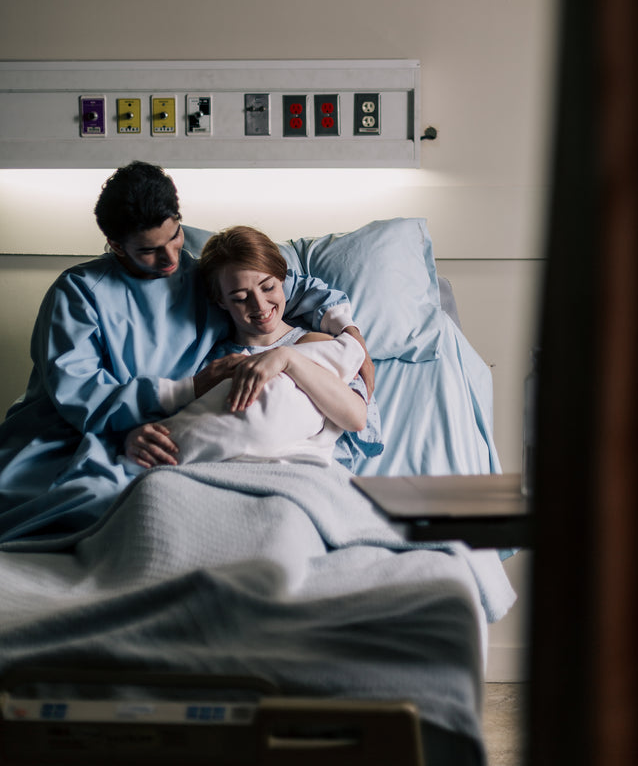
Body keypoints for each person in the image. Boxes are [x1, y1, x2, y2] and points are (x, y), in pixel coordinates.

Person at [0, 161, 374, 542]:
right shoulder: (79, 293)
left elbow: (278, 281)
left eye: (175, 236)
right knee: (99, 500)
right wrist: (156, 413)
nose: (169, 259)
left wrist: (348, 329)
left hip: (165, 432)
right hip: (73, 435)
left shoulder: (201, 271)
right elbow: (79, 397)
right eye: (148, 250)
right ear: (116, 245)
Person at [123, 225, 371, 471]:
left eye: (268, 287)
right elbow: (185, 423)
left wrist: (287, 358)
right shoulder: (212, 363)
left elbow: (356, 418)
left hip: (296, 473)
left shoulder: (316, 344)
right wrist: (137, 439)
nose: (260, 305)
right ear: (220, 300)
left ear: (282, 279)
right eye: (240, 297)